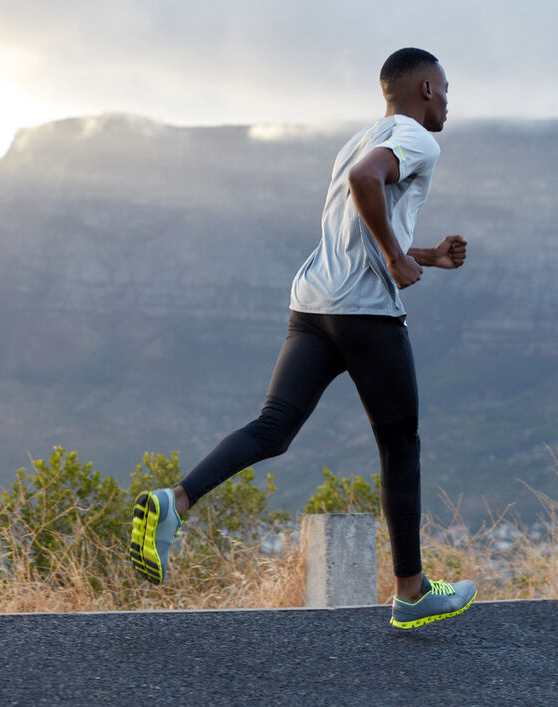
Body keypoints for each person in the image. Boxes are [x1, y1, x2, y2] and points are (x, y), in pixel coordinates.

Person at [130, 47, 476, 629]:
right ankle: (411, 593)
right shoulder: (416, 139)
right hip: (367, 314)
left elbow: (356, 222)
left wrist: (425, 256)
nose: (448, 101)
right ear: (422, 90)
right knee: (400, 444)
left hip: (314, 305)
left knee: (273, 427)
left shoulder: (359, 137)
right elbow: (368, 184)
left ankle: (176, 501)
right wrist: (396, 260)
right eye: (444, 89)